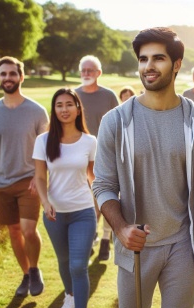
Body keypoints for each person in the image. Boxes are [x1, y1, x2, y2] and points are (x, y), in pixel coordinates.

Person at [92, 27, 194, 308]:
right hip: (136, 245)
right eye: (143, 59)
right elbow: (103, 185)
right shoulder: (116, 122)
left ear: (177, 64)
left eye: (158, 58)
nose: (148, 66)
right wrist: (121, 228)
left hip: (183, 244)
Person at [0, 56, 48, 297]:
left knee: (28, 230)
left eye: (12, 73)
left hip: (28, 181)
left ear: (21, 76)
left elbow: (46, 148)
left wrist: (39, 176)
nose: (7, 78)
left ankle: (35, 268)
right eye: (3, 74)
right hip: (1, 183)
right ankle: (26, 274)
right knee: (13, 232)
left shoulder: (37, 111)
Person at [33, 88, 97, 308]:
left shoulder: (89, 141)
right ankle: (69, 294)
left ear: (78, 108)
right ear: (54, 109)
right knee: (63, 261)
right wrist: (44, 201)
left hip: (83, 212)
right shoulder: (43, 140)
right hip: (54, 214)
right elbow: (39, 176)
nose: (64, 109)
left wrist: (104, 200)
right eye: (59, 105)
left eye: (69, 104)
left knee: (78, 265)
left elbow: (93, 176)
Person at [75, 55, 119, 261]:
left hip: (105, 157)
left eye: (90, 70)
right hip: (79, 158)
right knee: (86, 202)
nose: (86, 74)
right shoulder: (73, 95)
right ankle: (90, 236)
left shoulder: (109, 96)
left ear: (98, 73)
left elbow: (120, 126)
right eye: (83, 70)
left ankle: (105, 240)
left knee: (106, 199)